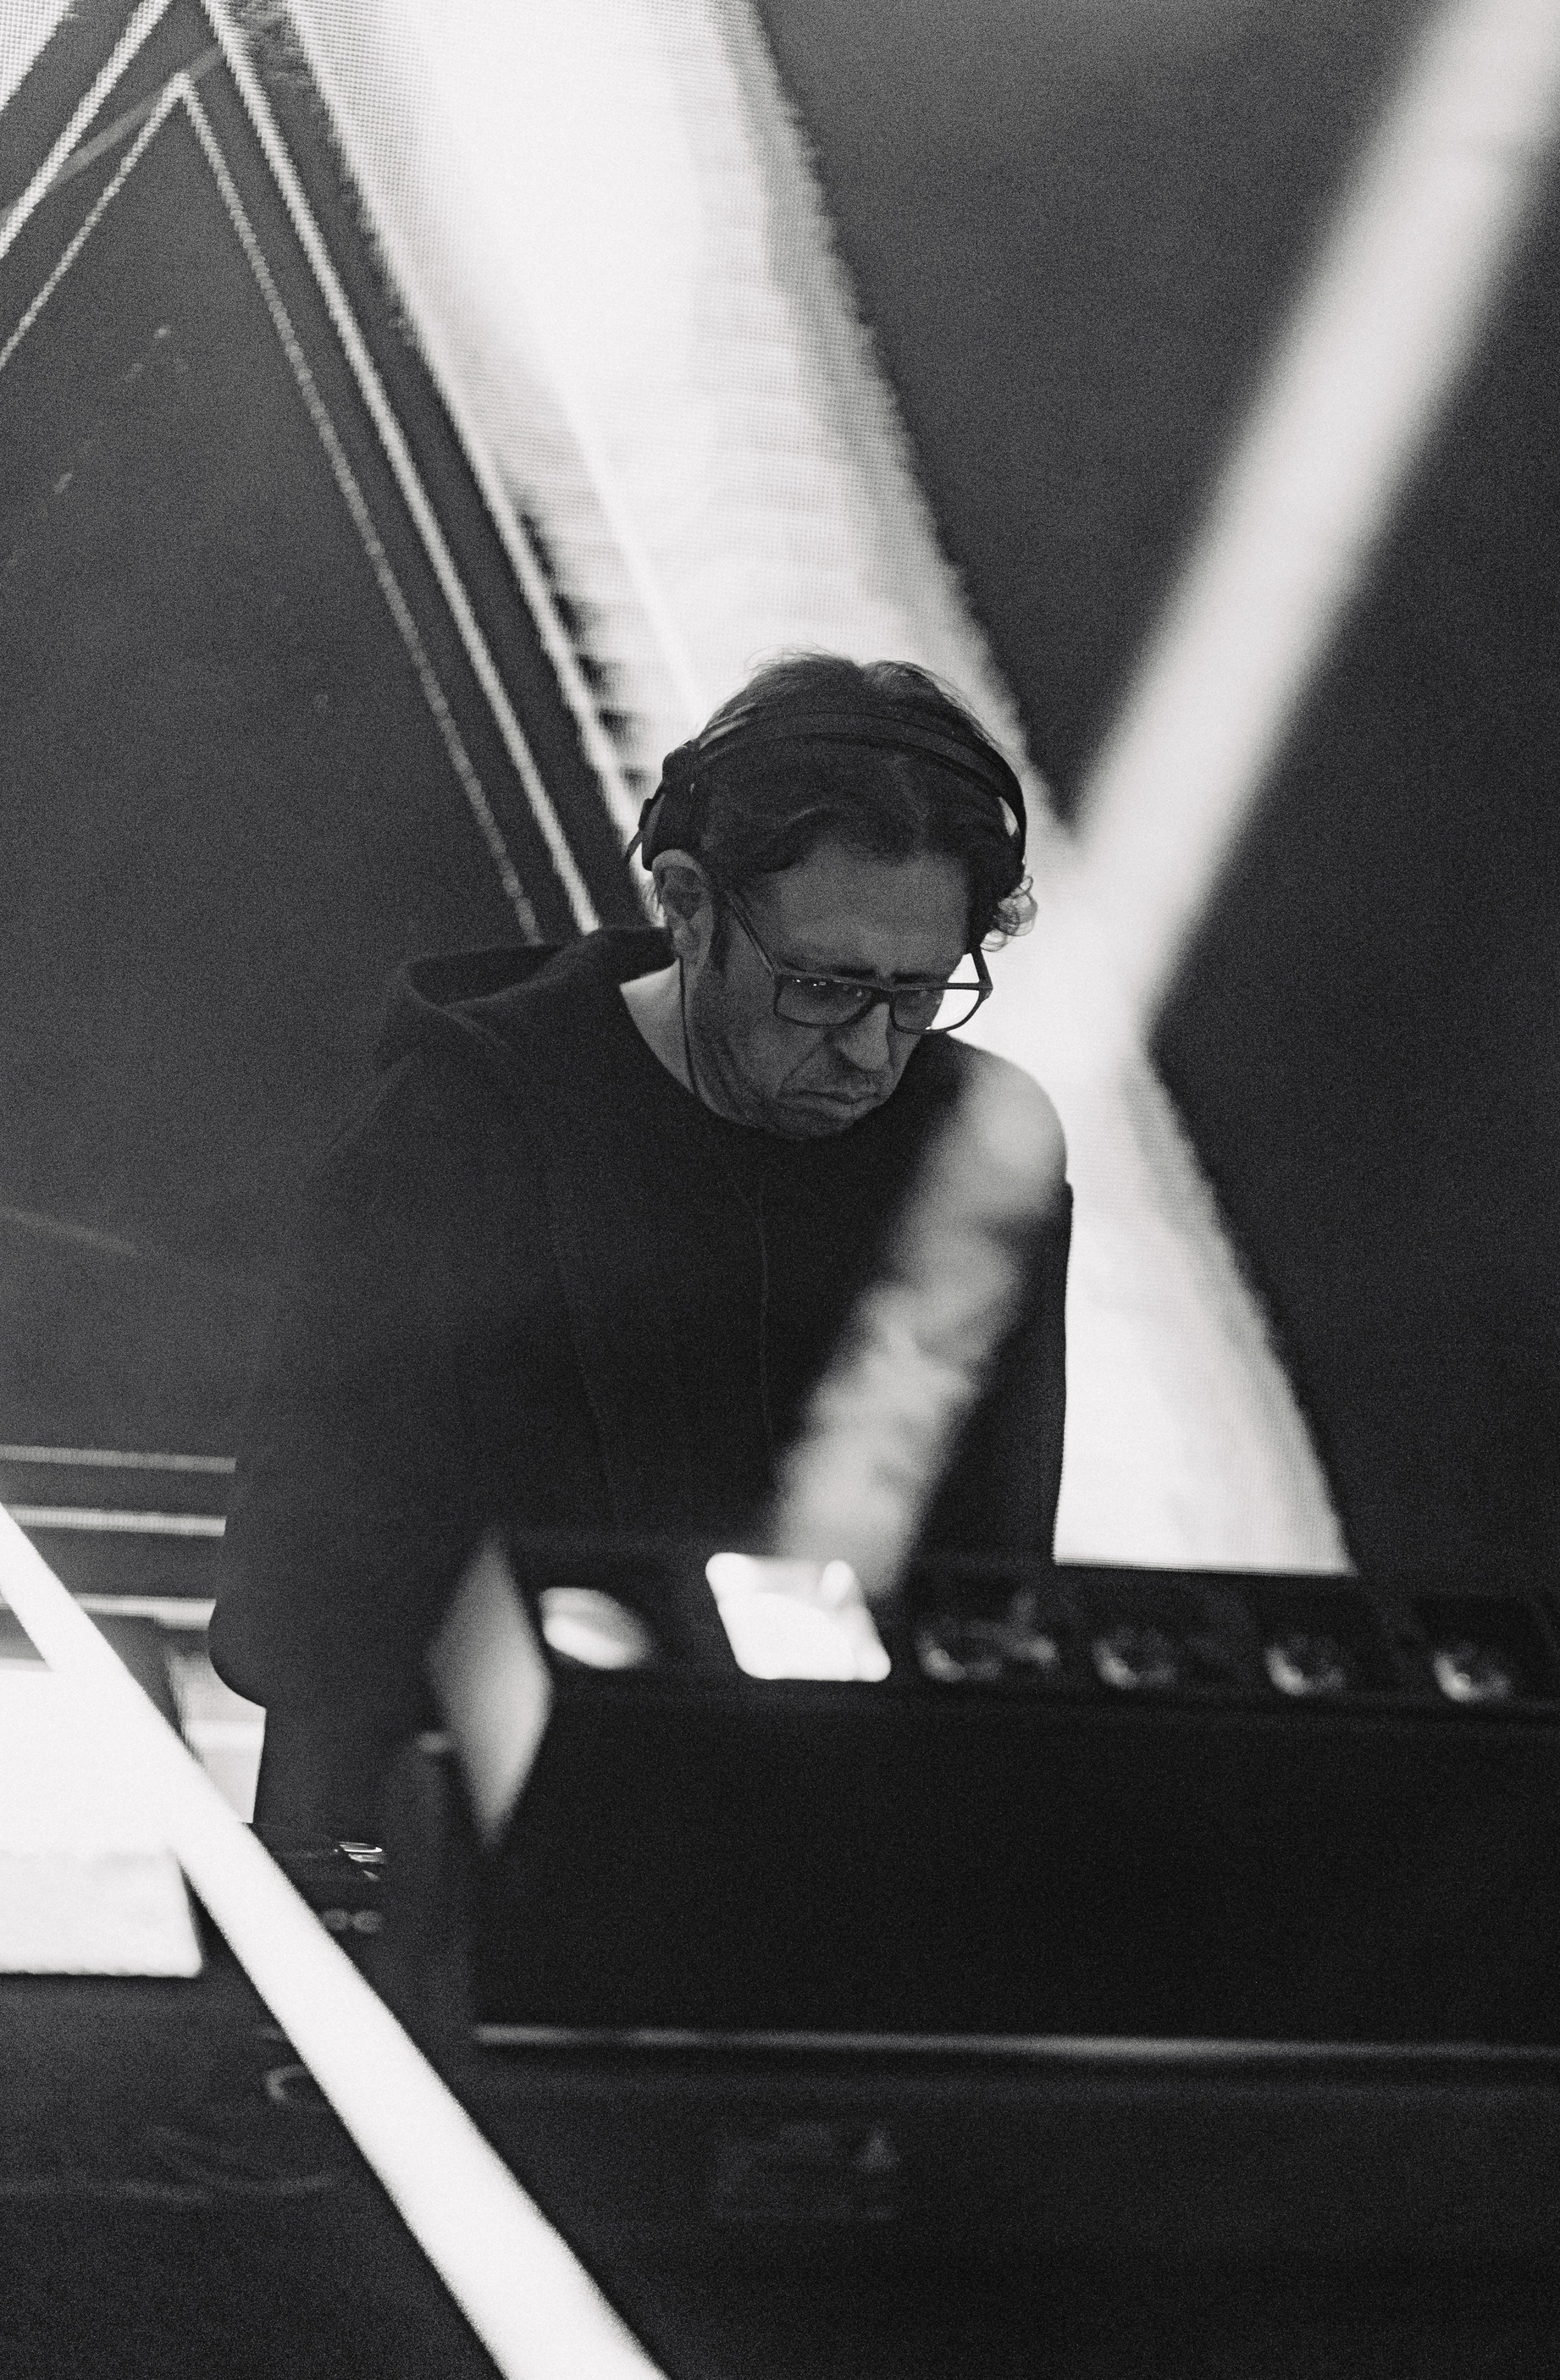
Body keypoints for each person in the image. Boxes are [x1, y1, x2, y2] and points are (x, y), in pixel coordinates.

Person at [211, 654, 1071, 1832]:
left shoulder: (974, 1147)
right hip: (452, 1835)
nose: (873, 1051)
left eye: (919, 993)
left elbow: (989, 1597)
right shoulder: (464, 1123)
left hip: (819, 1848)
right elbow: (299, 1608)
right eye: (824, 986)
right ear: (687, 900)